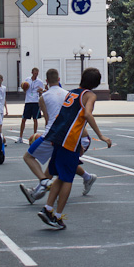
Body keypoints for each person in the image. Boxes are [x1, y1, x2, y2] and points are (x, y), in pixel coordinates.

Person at [37, 67, 111, 230]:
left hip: (58, 137)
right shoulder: (90, 95)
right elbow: (87, 114)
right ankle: (56, 215)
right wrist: (100, 135)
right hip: (69, 140)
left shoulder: (72, 92)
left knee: (61, 177)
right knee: (68, 179)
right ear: (96, 83)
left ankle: (48, 209)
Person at [20, 69, 67, 202]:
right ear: (59, 79)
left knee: (28, 157)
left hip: (51, 133)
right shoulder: (68, 95)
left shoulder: (43, 97)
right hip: (66, 134)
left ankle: (44, 181)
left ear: (46, 82)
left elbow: (47, 118)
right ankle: (36, 193)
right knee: (55, 165)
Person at [19, 67, 45, 143]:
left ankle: (34, 136)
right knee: (24, 119)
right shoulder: (27, 80)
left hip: (35, 101)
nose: (36, 74)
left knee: (35, 119)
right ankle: (20, 137)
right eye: (35, 73)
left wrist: (41, 90)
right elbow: (24, 90)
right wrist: (24, 88)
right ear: (32, 72)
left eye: (37, 73)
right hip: (28, 101)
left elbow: (42, 91)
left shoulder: (39, 81)